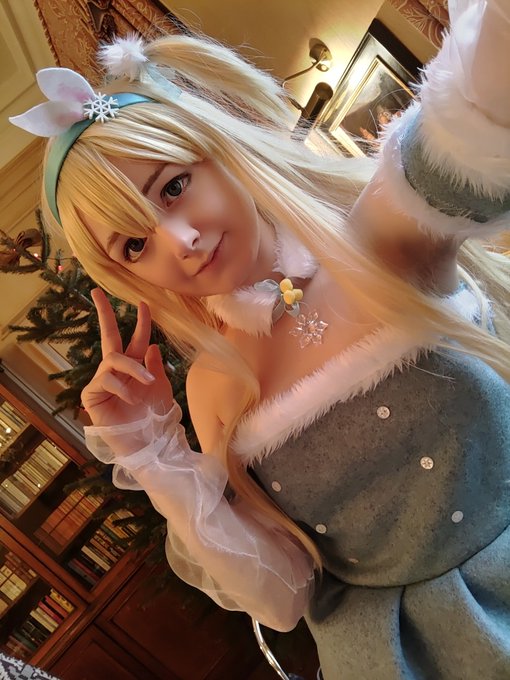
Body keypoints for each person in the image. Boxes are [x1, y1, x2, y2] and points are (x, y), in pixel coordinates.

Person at [10, 0, 510, 677]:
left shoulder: (376, 241)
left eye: (174, 186)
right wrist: (155, 457)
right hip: (410, 655)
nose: (180, 242)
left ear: (219, 154)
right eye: (133, 245)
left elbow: (472, 117)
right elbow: (283, 597)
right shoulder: (213, 387)